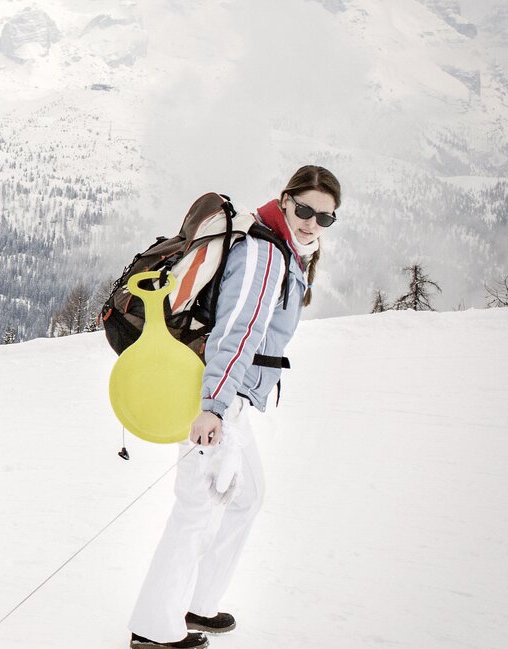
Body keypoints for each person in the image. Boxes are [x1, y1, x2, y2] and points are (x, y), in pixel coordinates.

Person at [128, 166, 337, 649]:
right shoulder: (265, 252)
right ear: (286, 200)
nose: (311, 223)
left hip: (231, 398)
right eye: (304, 209)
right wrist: (214, 409)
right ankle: (155, 629)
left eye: (324, 217)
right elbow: (235, 332)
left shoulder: (286, 250)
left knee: (246, 496)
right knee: (197, 507)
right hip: (220, 397)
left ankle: (196, 603)